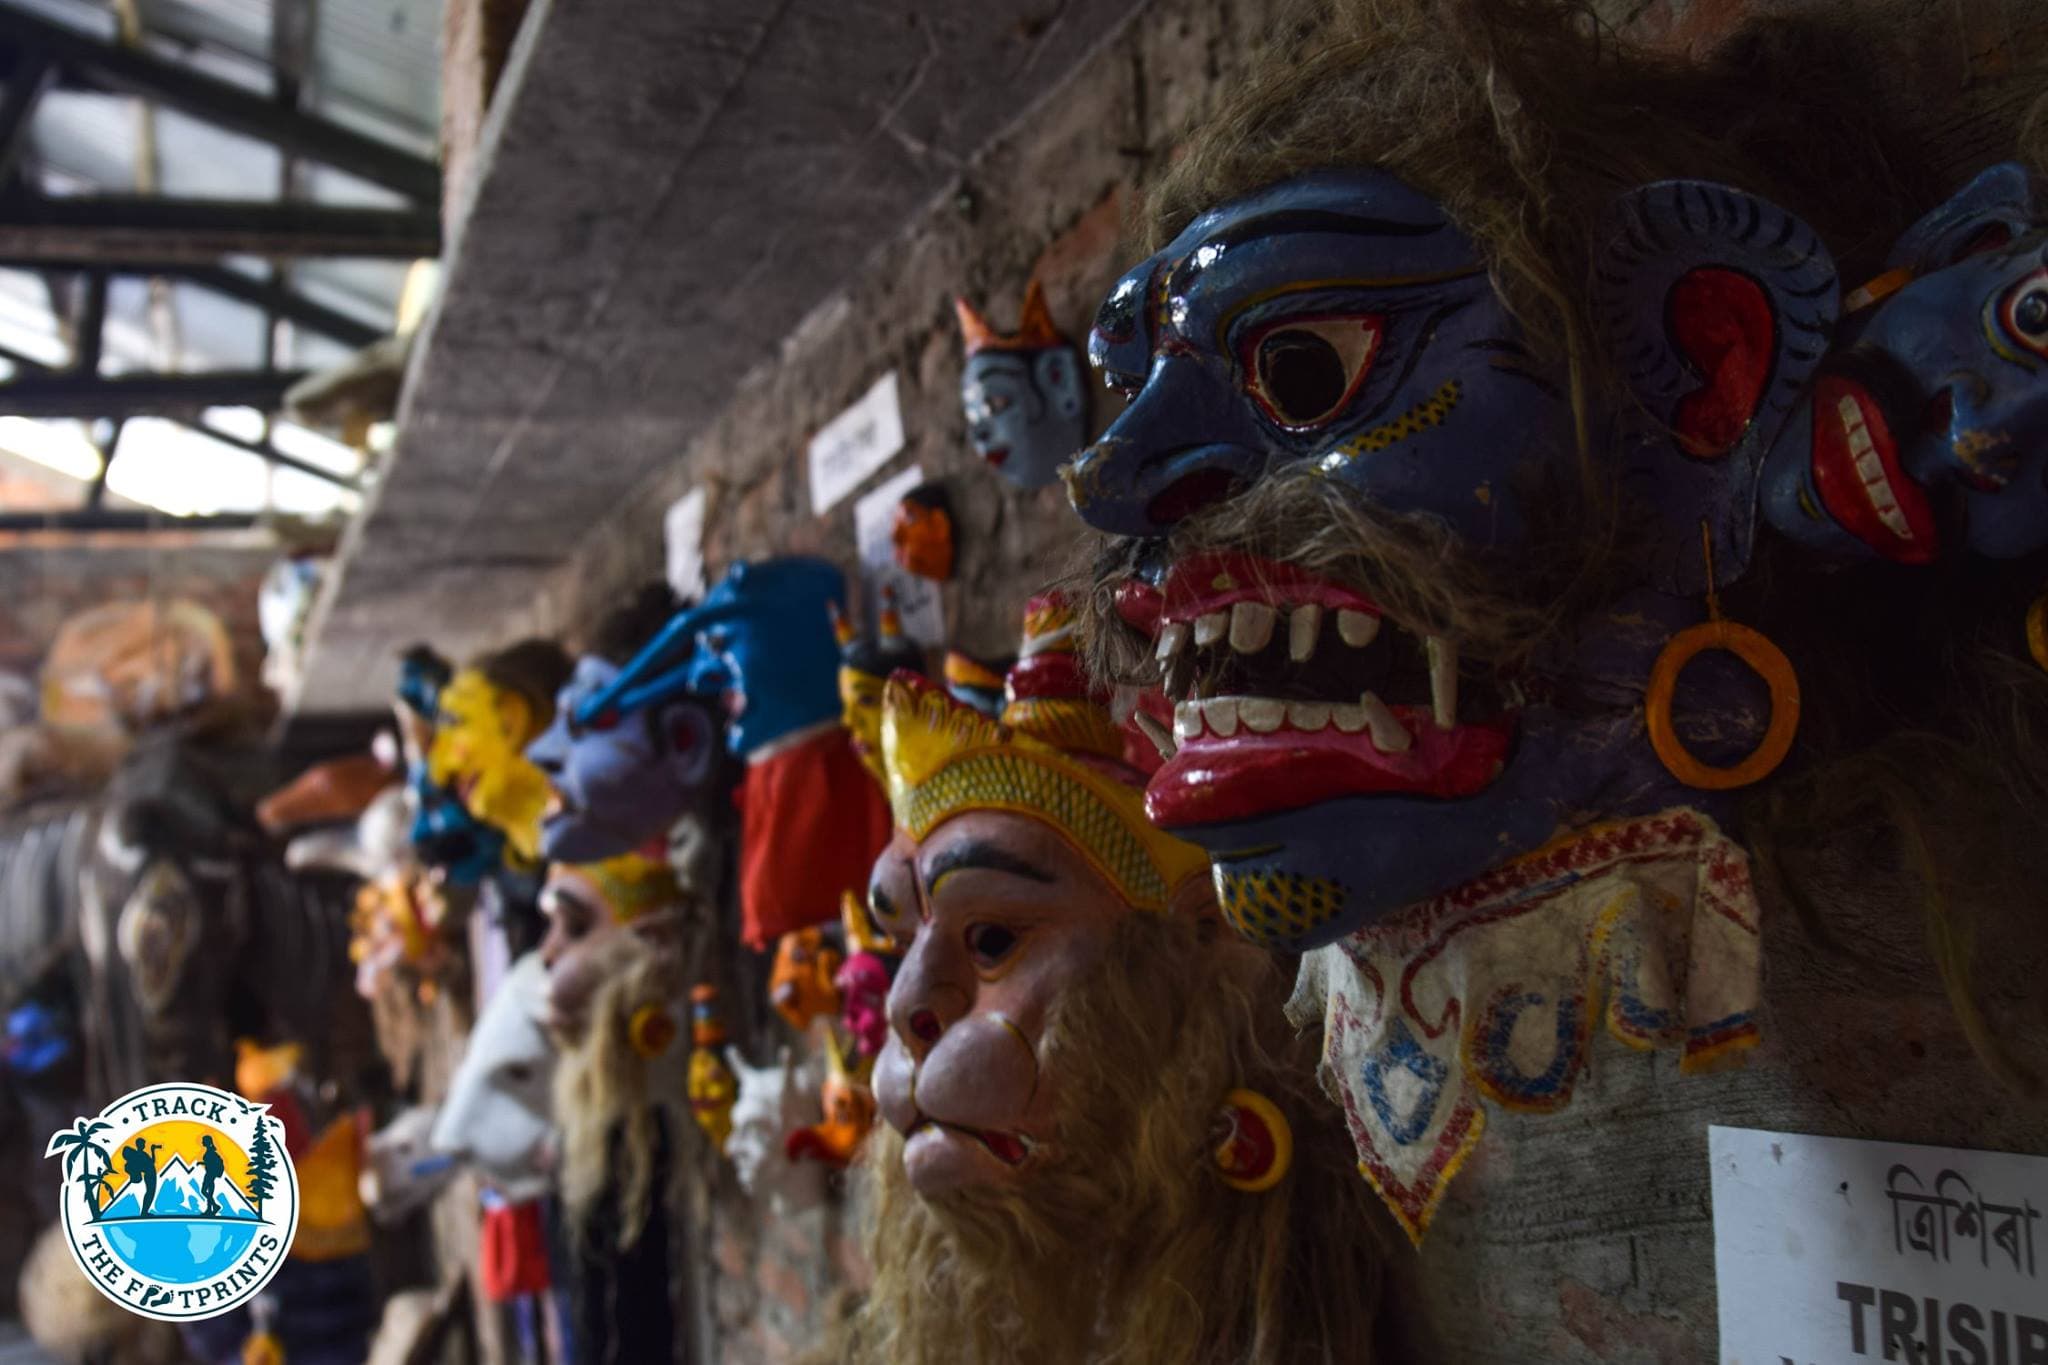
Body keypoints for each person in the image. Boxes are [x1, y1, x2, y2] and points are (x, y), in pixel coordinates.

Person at [119, 1138, 158, 1217]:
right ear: (139, 1145)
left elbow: (152, 1162)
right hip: (150, 1175)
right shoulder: (140, 1155)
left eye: (144, 1144)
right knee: (150, 1193)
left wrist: (152, 1150)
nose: (144, 1145)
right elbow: (148, 1164)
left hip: (151, 1174)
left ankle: (144, 1212)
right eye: (143, 1144)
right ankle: (144, 1212)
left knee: (150, 1193)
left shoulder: (142, 1154)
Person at [198, 1135, 225, 1217]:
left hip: (210, 1174)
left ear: (207, 1142)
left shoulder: (210, 1152)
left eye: (203, 1140)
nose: (202, 1142)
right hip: (210, 1174)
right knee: (209, 1193)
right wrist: (202, 1163)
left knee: (204, 1191)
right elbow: (210, 1162)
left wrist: (203, 1163)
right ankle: (210, 1209)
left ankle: (214, 1207)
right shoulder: (210, 1151)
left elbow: (211, 1163)